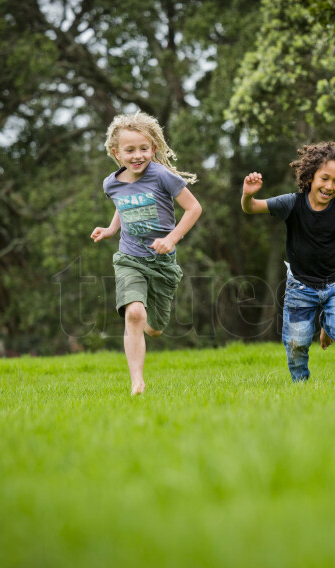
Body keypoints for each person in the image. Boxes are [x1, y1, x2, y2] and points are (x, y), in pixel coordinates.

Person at [91, 112, 202, 395]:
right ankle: (137, 381)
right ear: (117, 153)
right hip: (129, 258)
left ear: (153, 148)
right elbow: (122, 203)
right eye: (130, 150)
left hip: (163, 261)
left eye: (143, 148)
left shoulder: (162, 175)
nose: (137, 155)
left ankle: (153, 326)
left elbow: (194, 209)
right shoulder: (111, 183)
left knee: (155, 327)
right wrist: (111, 229)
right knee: (135, 315)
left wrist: (172, 238)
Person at [241, 140, 335, 382]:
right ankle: (301, 387)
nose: (329, 186)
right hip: (300, 288)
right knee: (296, 343)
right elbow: (251, 208)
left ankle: (327, 326)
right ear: (311, 177)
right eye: (324, 178)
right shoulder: (291, 204)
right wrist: (248, 196)